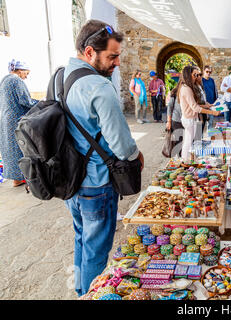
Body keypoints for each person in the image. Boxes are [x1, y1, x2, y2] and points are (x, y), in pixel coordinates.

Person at [61, 20, 144, 296]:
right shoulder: (99, 86)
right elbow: (121, 144)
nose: (117, 63)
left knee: (81, 239)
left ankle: (80, 289)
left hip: (70, 179)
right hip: (96, 183)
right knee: (96, 251)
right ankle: (92, 293)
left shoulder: (61, 76)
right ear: (89, 52)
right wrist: (136, 155)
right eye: (111, 56)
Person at [0, 59, 37, 187]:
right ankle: (23, 177)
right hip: (15, 119)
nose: (26, 77)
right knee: (20, 147)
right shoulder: (16, 80)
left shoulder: (4, 80)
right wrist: (41, 103)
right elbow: (25, 101)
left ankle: (16, 179)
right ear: (20, 71)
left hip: (5, 118)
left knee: (10, 149)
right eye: (26, 73)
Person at [178, 65, 221, 161]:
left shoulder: (187, 87)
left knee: (189, 141)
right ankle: (184, 160)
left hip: (190, 118)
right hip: (189, 119)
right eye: (195, 74)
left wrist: (206, 106)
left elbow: (194, 105)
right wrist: (212, 112)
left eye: (197, 74)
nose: (197, 76)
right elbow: (195, 107)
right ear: (188, 75)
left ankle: (187, 159)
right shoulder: (186, 88)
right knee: (188, 142)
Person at [166, 82, 184, 157]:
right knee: (178, 142)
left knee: (184, 142)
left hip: (186, 121)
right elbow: (169, 107)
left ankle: (181, 158)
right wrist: (169, 121)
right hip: (176, 121)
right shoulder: (175, 93)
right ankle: (179, 159)